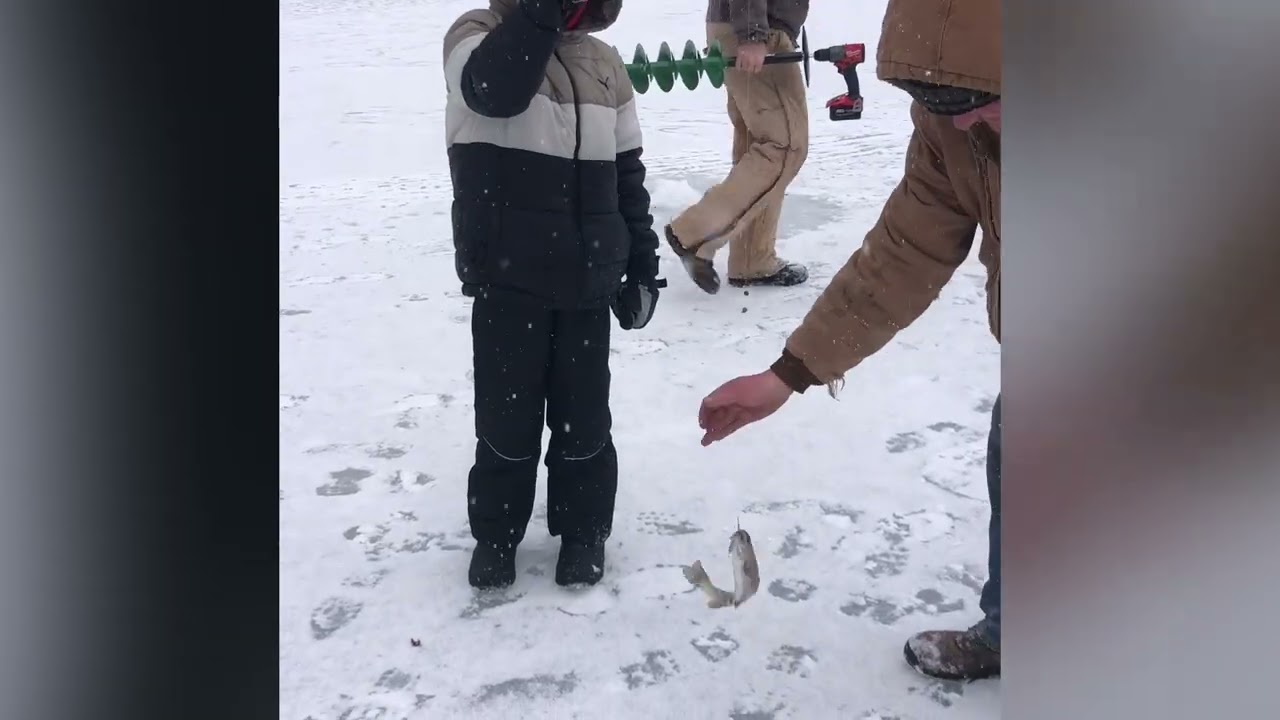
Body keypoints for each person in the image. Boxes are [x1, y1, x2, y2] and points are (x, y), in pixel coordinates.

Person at [695, 0, 1002, 681]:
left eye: (979, 100)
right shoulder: (954, 130)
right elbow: (903, 254)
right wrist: (790, 373)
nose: (965, 121)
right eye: (937, 102)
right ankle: (1017, 625)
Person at [442, 0, 665, 589]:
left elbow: (626, 174)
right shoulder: (476, 37)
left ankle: (584, 532)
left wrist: (641, 262)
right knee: (506, 421)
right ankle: (496, 535)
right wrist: (539, 13)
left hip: (587, 283)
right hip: (506, 278)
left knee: (585, 421)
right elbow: (495, 91)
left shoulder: (604, 62)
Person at [663, 0, 812, 294]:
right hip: (756, 29)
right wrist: (753, 34)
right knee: (782, 146)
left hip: (746, 25)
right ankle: (693, 233)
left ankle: (751, 259)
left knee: (758, 145)